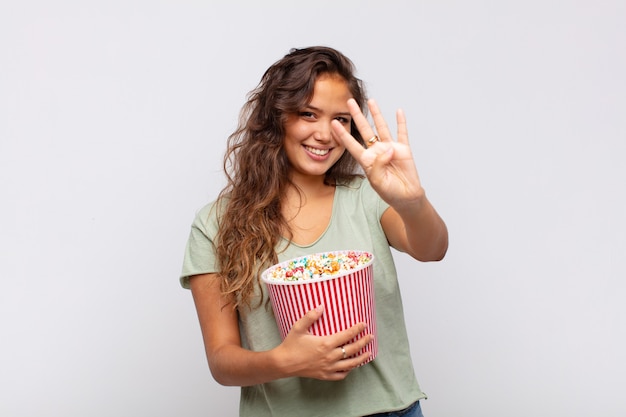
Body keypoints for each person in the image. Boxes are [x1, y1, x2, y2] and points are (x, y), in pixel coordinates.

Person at [180, 46, 448, 417]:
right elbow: (222, 361)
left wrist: (413, 201)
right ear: (277, 118)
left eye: (340, 119)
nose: (325, 134)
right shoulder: (215, 224)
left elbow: (432, 249)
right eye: (308, 114)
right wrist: (285, 361)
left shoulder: (368, 199)